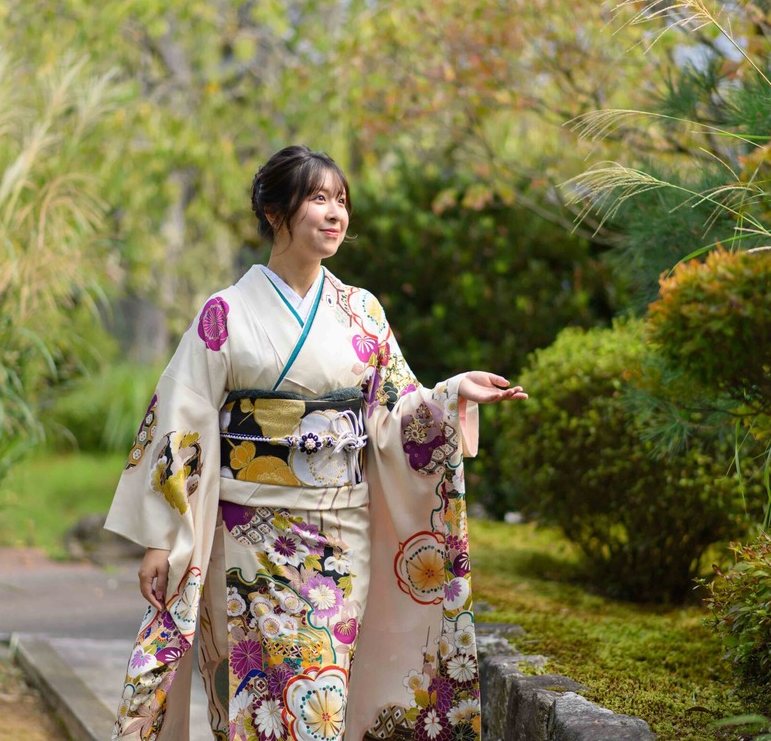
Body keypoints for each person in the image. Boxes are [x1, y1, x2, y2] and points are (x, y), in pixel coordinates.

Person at [105, 145, 526, 741]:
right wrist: (162, 538)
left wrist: (452, 393)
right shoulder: (224, 313)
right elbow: (182, 420)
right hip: (245, 536)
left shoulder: (363, 313)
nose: (335, 215)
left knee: (319, 705)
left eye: (342, 201)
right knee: (248, 710)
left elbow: (394, 413)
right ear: (276, 214)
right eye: (319, 199)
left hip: (337, 542)